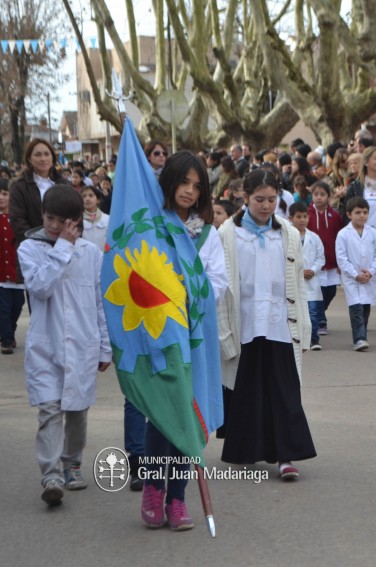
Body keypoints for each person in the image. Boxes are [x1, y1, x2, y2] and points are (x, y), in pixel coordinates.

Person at [140, 152, 228, 530]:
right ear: (168, 182)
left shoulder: (207, 234)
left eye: (197, 185)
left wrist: (186, 292)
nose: (190, 191)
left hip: (194, 337)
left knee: (186, 417)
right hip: (158, 334)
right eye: (183, 182)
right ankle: (152, 488)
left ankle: (177, 498)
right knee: (160, 413)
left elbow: (218, 283)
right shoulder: (150, 227)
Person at [216, 170, 316, 480]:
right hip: (244, 322)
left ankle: (286, 456)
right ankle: (248, 450)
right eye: (259, 199)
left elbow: (297, 283)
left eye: (272, 200)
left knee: (285, 390)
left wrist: (304, 328)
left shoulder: (287, 233)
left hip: (279, 323)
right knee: (247, 390)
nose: (266, 206)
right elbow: (220, 287)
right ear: (244, 197)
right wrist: (223, 331)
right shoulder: (227, 233)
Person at [17, 185, 112, 505]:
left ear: (77, 221)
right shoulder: (30, 249)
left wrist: (105, 346)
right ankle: (50, 474)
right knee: (49, 410)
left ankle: (72, 462)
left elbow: (100, 303)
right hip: (46, 346)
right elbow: (40, 287)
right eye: (50, 218)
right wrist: (62, 248)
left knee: (77, 411)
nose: (55, 226)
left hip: (83, 345)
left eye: (63, 221)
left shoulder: (92, 254)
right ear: (42, 215)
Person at [345, 146, 376, 337]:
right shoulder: (356, 186)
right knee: (362, 282)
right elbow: (347, 212)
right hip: (362, 240)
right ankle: (360, 328)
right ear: (366, 162)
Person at [336, 197, 376, 351]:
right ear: (349, 214)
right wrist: (355, 274)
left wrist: (371, 271)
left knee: (365, 307)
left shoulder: (373, 233)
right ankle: (359, 338)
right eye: (358, 212)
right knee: (356, 307)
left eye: (365, 212)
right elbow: (341, 258)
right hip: (352, 278)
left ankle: (361, 335)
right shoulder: (343, 234)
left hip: (368, 277)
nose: (362, 215)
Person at [0, 179, 25, 354]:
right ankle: (5, 340)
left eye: (5, 194)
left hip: (17, 271)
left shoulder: (19, 218)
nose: (1, 197)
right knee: (3, 308)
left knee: (17, 305)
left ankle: (10, 331)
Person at [9, 138, 67, 247]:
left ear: (53, 157)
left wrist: (65, 240)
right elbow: (17, 221)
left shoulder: (64, 184)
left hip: (63, 244)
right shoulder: (19, 186)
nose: (43, 158)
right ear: (29, 159)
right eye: (38, 155)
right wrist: (38, 241)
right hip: (31, 247)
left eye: (46, 154)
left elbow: (74, 215)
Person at [307, 181, 342, 335]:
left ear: (328, 196)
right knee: (318, 290)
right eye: (316, 194)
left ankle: (320, 311)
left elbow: (339, 237)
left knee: (331, 291)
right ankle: (321, 320)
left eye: (322, 194)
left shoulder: (335, 216)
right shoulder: (307, 215)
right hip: (315, 262)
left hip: (332, 260)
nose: (319, 197)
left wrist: (340, 261)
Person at [289, 202, 326, 351]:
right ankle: (299, 338)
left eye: (305, 216)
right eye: (298, 217)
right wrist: (299, 271)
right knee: (297, 312)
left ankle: (313, 339)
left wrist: (313, 270)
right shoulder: (288, 237)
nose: (302, 220)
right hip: (295, 279)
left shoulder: (314, 238)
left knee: (313, 312)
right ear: (291, 218)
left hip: (311, 280)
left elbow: (320, 257)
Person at [81, 186, 108, 252]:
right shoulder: (78, 220)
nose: (87, 199)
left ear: (98, 200)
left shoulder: (107, 219)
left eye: (91, 195)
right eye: (84, 196)